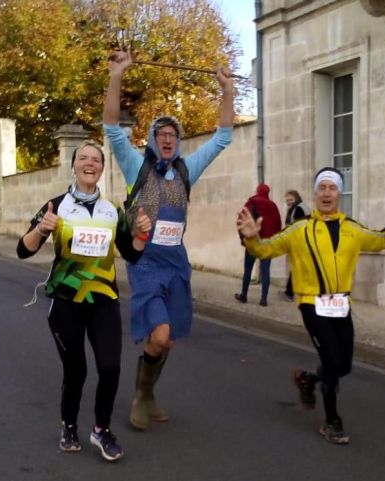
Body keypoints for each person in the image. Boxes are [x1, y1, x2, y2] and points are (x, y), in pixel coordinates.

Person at [236, 167, 385, 445]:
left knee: (343, 366)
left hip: (340, 305)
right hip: (312, 304)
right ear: (315, 193)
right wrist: (252, 238)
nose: (327, 193)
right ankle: (332, 421)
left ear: (340, 193)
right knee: (331, 361)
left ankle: (308, 380)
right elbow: (266, 250)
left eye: (332, 188)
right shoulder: (299, 229)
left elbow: (381, 239)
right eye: (322, 188)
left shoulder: (351, 228)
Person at [103, 50, 234, 431]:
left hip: (177, 263)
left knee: (168, 341)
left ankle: (147, 393)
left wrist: (225, 90)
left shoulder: (186, 168)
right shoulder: (135, 165)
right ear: (150, 139)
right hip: (145, 264)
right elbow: (111, 127)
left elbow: (224, 136)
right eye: (160, 134)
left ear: (178, 141)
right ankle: (141, 396)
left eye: (172, 135)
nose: (167, 139)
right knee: (158, 335)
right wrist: (117, 75)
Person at [16, 141, 152, 462]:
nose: (89, 163)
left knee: (110, 367)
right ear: (74, 166)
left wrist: (142, 234)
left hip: (104, 300)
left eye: (96, 159)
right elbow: (24, 249)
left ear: (102, 168)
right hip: (66, 303)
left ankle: (101, 430)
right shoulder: (56, 206)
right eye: (83, 158)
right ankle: (69, 425)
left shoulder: (112, 211)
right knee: (76, 371)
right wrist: (40, 229)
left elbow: (131, 253)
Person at [234, 183, 282, 306]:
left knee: (248, 270)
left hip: (253, 241)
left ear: (257, 190)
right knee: (266, 271)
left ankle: (244, 295)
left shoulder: (252, 203)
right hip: (267, 243)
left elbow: (242, 220)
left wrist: (243, 238)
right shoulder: (273, 206)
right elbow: (278, 225)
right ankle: (263, 299)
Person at [281, 190, 308, 301]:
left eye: (290, 200)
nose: (288, 202)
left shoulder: (298, 209)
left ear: (296, 198)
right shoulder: (297, 208)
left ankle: (290, 293)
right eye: (287, 200)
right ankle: (291, 292)